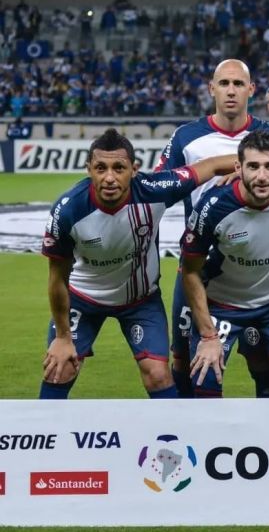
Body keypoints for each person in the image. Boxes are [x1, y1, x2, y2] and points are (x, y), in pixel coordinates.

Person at [40, 128, 238, 399]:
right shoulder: (67, 210)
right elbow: (57, 278)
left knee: (158, 376)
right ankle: (46, 439)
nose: (109, 177)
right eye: (101, 168)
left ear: (134, 169)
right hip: (83, 299)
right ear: (89, 169)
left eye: (118, 168)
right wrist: (63, 337)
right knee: (59, 369)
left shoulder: (155, 190)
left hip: (139, 302)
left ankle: (178, 441)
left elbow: (212, 165)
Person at [157, 59, 269, 399]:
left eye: (238, 84)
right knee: (183, 358)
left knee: (262, 360)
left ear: (251, 90)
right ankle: (188, 439)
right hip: (198, 265)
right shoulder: (186, 137)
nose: (231, 91)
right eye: (224, 84)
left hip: (257, 268)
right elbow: (159, 189)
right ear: (212, 88)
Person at [181, 131, 269, 398]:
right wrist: (209, 336)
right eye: (252, 167)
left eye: (268, 166)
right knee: (205, 380)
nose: (262, 176)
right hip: (224, 307)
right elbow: (190, 271)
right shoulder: (213, 207)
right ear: (238, 167)